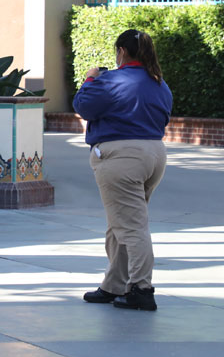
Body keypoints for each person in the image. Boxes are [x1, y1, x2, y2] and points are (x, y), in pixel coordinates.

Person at [73, 29, 172, 311]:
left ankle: (142, 288)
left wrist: (91, 78)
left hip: (121, 157)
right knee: (121, 223)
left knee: (132, 226)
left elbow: (83, 106)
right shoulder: (159, 84)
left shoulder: (110, 80)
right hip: (154, 153)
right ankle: (113, 285)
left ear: (122, 52)